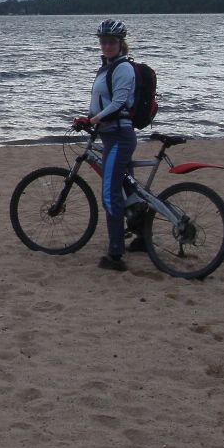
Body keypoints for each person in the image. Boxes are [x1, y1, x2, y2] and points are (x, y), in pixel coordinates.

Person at [87, 18, 138, 272]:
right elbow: (102, 100)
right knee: (130, 191)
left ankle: (116, 254)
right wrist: (88, 118)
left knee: (110, 194)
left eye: (111, 42)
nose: (106, 45)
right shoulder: (107, 67)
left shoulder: (123, 68)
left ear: (121, 43)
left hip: (119, 136)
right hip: (110, 134)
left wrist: (95, 118)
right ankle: (142, 236)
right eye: (103, 41)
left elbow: (118, 103)